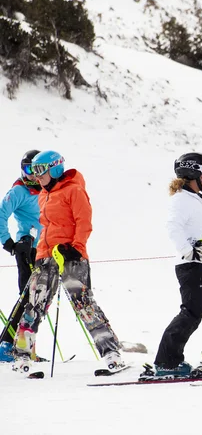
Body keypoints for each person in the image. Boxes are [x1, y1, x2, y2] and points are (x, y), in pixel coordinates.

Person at [12, 150, 124, 374]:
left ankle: (111, 352)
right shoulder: (43, 194)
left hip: (70, 254)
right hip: (46, 255)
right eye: (33, 171)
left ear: (54, 168)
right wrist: (38, 253)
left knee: (83, 304)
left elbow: (84, 221)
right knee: (35, 303)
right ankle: (22, 356)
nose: (36, 176)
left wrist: (76, 248)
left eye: (40, 171)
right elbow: (46, 226)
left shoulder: (74, 190)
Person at [152, 152, 202, 378]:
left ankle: (170, 360)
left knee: (193, 313)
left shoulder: (191, 200)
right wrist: (189, 251)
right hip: (191, 264)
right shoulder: (182, 200)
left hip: (199, 263)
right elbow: (172, 227)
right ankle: (166, 362)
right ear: (192, 172)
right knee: (190, 313)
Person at [0, 150, 42, 362]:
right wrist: (8, 242)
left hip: (45, 249)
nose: (31, 176)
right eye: (27, 170)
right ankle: (6, 345)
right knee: (28, 299)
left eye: (34, 170)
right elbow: (1, 213)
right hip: (27, 247)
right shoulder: (18, 191)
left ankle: (24, 348)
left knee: (38, 301)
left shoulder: (45, 188)